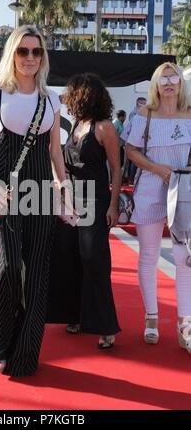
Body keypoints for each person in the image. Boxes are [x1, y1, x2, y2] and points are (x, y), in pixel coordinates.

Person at [0, 25, 67, 376]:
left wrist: (65, 189)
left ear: (43, 57)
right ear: (12, 53)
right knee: (10, 264)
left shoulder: (52, 98)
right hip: (5, 190)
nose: (30, 58)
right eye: (23, 51)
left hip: (42, 191)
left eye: (37, 52)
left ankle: (25, 354)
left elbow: (55, 151)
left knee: (37, 276)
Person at [47, 73, 121, 349]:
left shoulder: (104, 128)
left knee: (95, 262)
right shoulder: (77, 124)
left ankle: (105, 327)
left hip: (95, 201)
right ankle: (74, 316)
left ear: (84, 95)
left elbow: (116, 168)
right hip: (70, 201)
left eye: (71, 93)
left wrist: (113, 205)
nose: (67, 98)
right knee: (69, 258)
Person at [126, 62, 191, 353]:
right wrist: (159, 169)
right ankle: (151, 317)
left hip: (185, 192)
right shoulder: (144, 115)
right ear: (155, 83)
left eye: (173, 77)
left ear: (181, 83)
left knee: (184, 258)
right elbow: (130, 150)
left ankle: (185, 323)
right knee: (149, 254)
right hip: (150, 188)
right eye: (163, 78)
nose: (169, 82)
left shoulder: (190, 115)